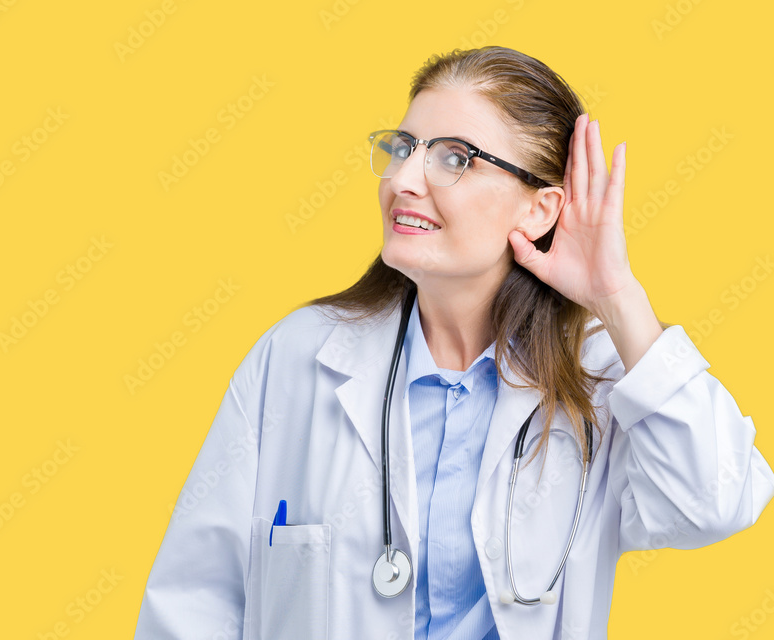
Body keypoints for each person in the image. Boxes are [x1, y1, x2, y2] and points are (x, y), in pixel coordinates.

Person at [133, 46, 774, 640]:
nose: (405, 179)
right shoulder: (297, 358)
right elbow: (194, 601)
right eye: (405, 146)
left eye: (454, 157)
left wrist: (617, 295)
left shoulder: (601, 381)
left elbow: (716, 501)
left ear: (540, 210)